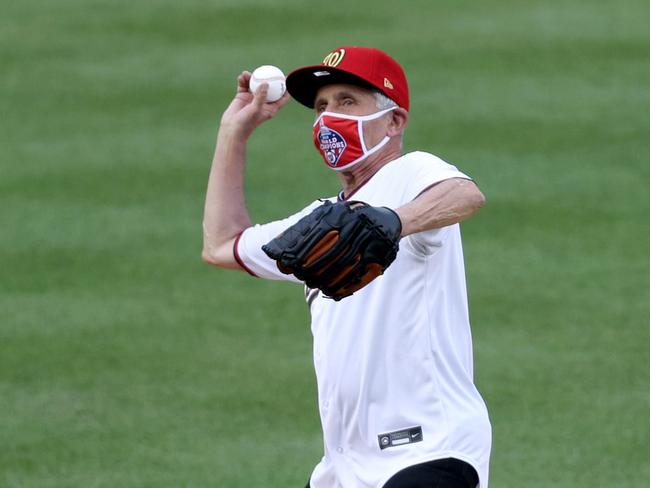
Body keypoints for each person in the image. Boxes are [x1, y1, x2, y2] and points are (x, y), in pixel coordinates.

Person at [202, 46, 491, 488]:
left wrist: (394, 222)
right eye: (320, 106)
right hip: (343, 470)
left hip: (429, 450)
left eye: (347, 101)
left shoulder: (412, 174)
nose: (328, 117)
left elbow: (464, 195)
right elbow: (222, 244)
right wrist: (233, 132)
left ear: (394, 121)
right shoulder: (319, 225)